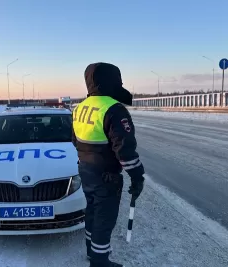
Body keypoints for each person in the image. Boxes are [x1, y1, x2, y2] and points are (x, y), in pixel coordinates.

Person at [72, 62, 145, 267]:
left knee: (92, 211)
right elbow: (124, 149)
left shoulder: (80, 108)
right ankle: (100, 261)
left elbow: (75, 140)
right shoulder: (113, 109)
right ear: (112, 82)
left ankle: (91, 251)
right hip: (106, 175)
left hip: (85, 170)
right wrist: (137, 175)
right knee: (105, 218)